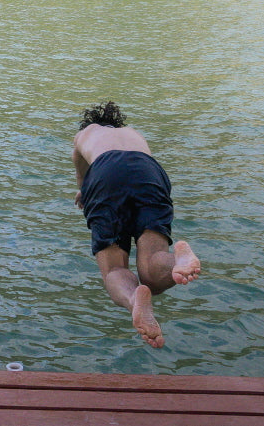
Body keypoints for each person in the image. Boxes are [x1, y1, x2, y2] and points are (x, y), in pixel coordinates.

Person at [73, 101, 200, 348]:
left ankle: (134, 299)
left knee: (114, 270)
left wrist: (84, 191)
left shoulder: (83, 135)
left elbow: (82, 173)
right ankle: (177, 260)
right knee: (153, 263)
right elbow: (134, 166)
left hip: (104, 171)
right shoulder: (133, 134)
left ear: (90, 125)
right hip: (148, 170)